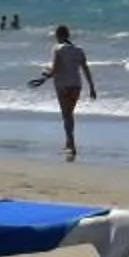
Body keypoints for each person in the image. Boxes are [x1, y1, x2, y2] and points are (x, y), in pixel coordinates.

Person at [31, 23, 98, 160]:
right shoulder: (79, 50)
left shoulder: (58, 49)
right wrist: (91, 87)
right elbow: (85, 69)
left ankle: (71, 144)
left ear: (59, 36)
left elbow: (56, 69)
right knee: (69, 114)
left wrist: (44, 76)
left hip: (62, 85)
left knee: (66, 115)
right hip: (76, 85)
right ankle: (69, 142)